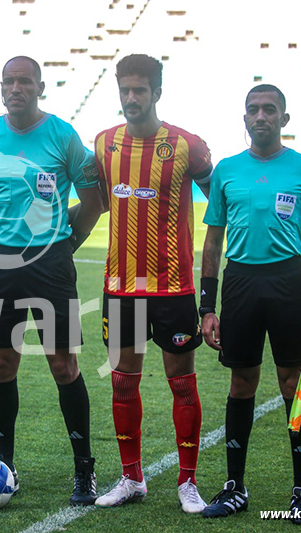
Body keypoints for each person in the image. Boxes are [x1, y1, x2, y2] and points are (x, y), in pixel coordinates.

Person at [0, 56, 105, 506]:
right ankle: (3, 465)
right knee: (1, 366)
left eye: (24, 81)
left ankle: (84, 470)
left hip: (50, 264)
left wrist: (70, 240)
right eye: (9, 81)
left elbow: (93, 199)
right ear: (1, 87)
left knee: (63, 366)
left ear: (40, 87)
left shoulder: (63, 136)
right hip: (0, 264)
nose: (16, 88)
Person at [199, 84, 301, 525]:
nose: (261, 116)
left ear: (284, 119)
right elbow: (213, 241)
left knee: (294, 383)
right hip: (239, 282)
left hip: (288, 281)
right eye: (253, 110)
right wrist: (207, 307)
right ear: (244, 119)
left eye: (269, 110)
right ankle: (236, 487)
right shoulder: (227, 171)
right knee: (242, 381)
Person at [91, 54, 212, 513]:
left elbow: (217, 203)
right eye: (125, 89)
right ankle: (131, 478)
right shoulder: (104, 144)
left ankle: (187, 482)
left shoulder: (187, 146)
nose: (131, 98)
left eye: (140, 90)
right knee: (123, 383)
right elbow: (95, 201)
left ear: (156, 92)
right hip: (121, 288)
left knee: (181, 384)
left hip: (173, 288)